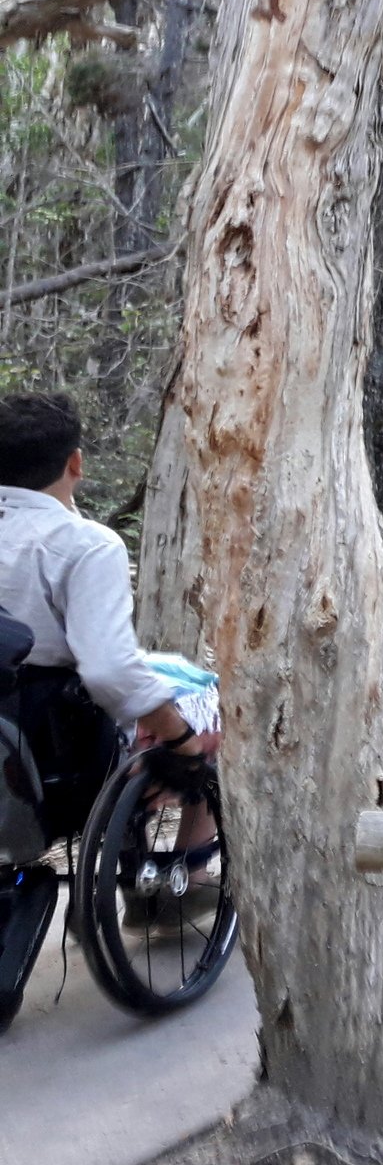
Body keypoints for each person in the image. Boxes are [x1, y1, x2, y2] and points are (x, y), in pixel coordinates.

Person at [0, 392, 213, 925]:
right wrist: (180, 737)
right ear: (75, 463)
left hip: (11, 730)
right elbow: (108, 671)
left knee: (162, 678)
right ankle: (186, 871)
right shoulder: (85, 544)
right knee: (212, 705)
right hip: (54, 746)